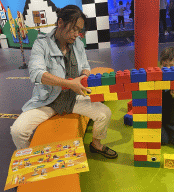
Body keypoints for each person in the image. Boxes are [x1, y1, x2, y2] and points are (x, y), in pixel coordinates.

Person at [10, 5, 118, 159]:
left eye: (79, 30)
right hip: (48, 101)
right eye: (73, 29)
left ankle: (96, 144)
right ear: (60, 22)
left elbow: (86, 66)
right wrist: (70, 84)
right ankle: (28, 159)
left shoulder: (78, 43)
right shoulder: (41, 44)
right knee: (18, 131)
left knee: (104, 113)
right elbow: (36, 73)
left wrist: (83, 77)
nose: (76, 34)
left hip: (74, 98)